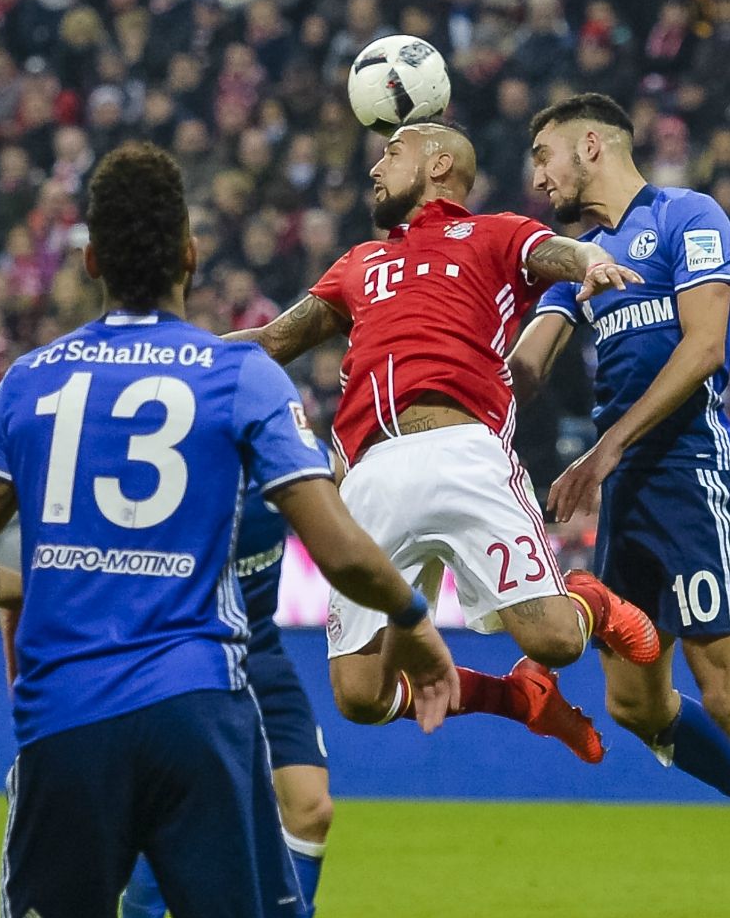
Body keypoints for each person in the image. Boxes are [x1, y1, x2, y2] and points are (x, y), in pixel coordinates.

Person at [0, 142, 459, 918]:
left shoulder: (28, 383)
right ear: (189, 254)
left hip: (67, 715)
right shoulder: (241, 374)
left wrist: (29, 585)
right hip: (201, 710)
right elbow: (337, 548)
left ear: (91, 260)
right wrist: (413, 624)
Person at [227, 121, 660, 764]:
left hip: (464, 454)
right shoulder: (358, 264)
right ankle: (521, 701)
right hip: (370, 477)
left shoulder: (493, 234)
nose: (374, 169)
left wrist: (589, 259)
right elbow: (270, 343)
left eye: (390, 154)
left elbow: (553, 253)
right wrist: (175, 355)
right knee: (360, 697)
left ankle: (589, 598)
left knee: (557, 640)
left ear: (438, 165)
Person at [510, 92, 730, 863]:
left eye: (544, 155)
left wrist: (608, 445)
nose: (539, 177)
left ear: (591, 144)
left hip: (689, 472)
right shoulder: (578, 258)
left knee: (726, 688)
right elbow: (524, 363)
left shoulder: (688, 217)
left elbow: (704, 349)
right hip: (623, 490)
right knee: (633, 701)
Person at [111, 486, 334, 918]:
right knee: (158, 825)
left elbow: (336, 504)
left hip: (260, 652)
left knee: (311, 810)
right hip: (181, 656)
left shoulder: (282, 459)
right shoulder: (180, 464)